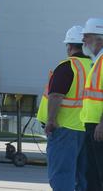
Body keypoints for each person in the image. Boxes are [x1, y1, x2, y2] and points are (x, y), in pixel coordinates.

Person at [41, 24, 91, 191]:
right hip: (89, 130)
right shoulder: (95, 67)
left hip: (65, 130)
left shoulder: (67, 67)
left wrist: (50, 120)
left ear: (69, 46)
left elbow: (56, 96)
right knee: (84, 177)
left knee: (62, 175)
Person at [83, 18, 103, 191]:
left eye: (87, 36)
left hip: (98, 126)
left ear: (99, 39)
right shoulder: (96, 60)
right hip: (92, 125)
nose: (83, 40)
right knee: (92, 176)